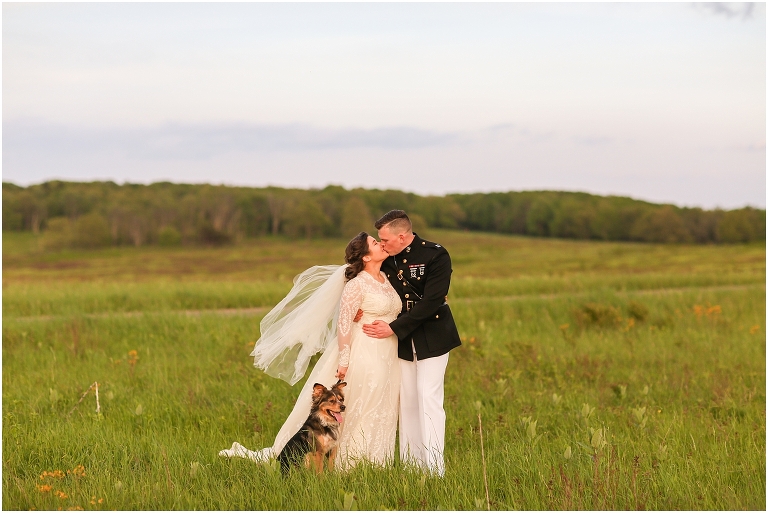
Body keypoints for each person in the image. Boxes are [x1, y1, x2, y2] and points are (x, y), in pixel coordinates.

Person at [219, 232, 402, 469]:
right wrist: (345, 361)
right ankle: (350, 463)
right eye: (375, 243)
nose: (381, 244)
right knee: (361, 405)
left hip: (388, 352)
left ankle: (376, 461)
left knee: (380, 405)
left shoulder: (386, 277)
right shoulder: (357, 284)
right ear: (366, 257)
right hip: (364, 352)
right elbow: (344, 324)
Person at [361, 210, 462, 476]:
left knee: (428, 396)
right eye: (379, 241)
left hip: (434, 335)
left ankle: (435, 468)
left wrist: (393, 327)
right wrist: (360, 310)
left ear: (402, 236)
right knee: (408, 400)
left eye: (385, 240)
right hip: (404, 341)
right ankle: (413, 465)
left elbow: (431, 302)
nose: (382, 245)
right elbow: (367, 281)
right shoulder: (387, 259)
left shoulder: (435, 255)